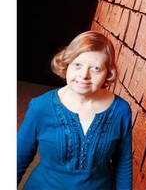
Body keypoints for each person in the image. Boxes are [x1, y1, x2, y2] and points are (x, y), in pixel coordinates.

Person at [17, 31, 133, 189]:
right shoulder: (41, 106)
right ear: (66, 64)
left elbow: (123, 164)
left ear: (108, 73)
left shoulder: (121, 110)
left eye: (96, 68)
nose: (84, 75)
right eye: (77, 65)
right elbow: (18, 159)